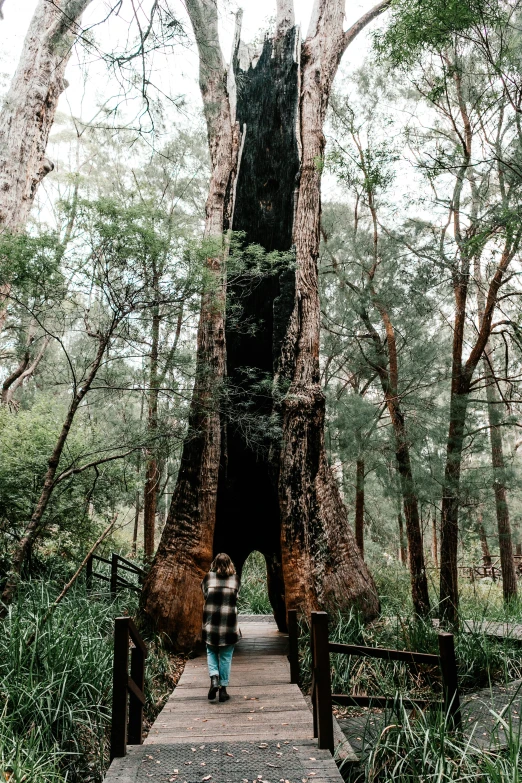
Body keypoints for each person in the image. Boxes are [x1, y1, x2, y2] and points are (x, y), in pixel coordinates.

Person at [201, 553, 240, 702]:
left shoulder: (208, 578)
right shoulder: (235, 579)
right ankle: (223, 690)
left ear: (215, 563)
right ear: (230, 564)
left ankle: (214, 678)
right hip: (229, 624)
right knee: (226, 656)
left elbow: (205, 594)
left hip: (211, 623)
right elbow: (236, 597)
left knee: (211, 651)